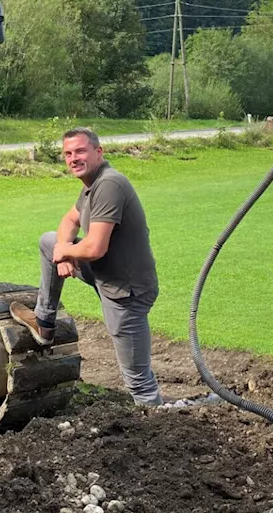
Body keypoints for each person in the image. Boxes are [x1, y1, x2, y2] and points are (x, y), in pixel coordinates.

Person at [10, 128, 163, 406]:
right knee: (49, 241)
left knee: (138, 382)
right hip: (104, 274)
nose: (73, 158)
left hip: (126, 291)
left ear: (98, 152)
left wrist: (65, 251)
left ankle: (156, 430)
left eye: (80, 151)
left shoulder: (109, 184)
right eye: (68, 153)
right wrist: (64, 254)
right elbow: (69, 221)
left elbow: (94, 248)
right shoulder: (91, 186)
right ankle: (44, 322)